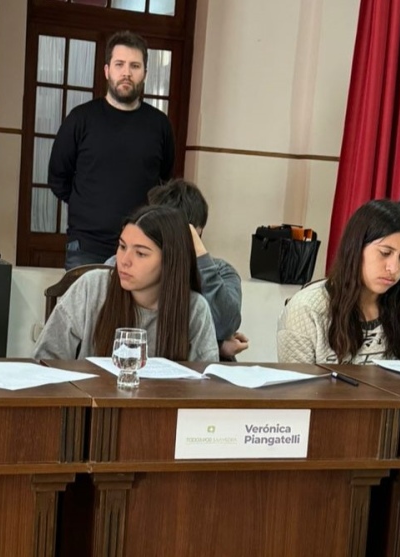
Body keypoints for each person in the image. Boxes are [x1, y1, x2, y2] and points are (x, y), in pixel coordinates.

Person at [48, 30, 175, 270]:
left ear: (145, 74)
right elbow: (57, 178)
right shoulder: (81, 119)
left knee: (137, 310)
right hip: (86, 245)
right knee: (86, 309)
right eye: (120, 64)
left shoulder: (159, 125)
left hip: (142, 246)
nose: (126, 72)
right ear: (107, 71)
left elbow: (165, 182)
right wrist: (87, 207)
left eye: (135, 66)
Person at [33, 204, 218, 362]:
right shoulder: (92, 287)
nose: (124, 260)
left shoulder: (194, 309)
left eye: (141, 253)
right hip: (90, 402)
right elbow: (46, 359)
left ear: (170, 261)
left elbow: (204, 387)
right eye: (122, 247)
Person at [277, 200, 400, 364]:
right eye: (385, 253)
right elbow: (295, 387)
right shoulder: (307, 310)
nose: (394, 268)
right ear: (355, 248)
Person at [105, 179, 246, 360]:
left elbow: (225, 326)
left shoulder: (220, 271)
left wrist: (201, 258)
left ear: (198, 232)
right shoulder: (119, 265)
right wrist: (220, 346)